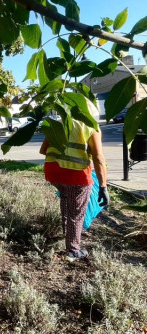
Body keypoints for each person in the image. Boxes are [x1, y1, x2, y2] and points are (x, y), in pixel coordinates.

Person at [39, 102, 110, 261]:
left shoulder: (59, 123)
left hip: (53, 173)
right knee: (76, 213)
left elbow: (43, 150)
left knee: (65, 199)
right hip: (76, 176)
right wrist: (103, 186)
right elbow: (98, 158)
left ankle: (66, 232)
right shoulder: (91, 127)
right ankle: (73, 250)